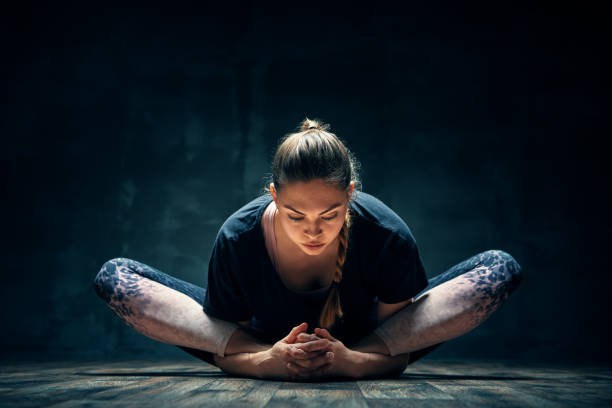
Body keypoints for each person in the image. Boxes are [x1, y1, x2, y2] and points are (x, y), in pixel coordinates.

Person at [93, 118, 522, 381]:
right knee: (115, 276)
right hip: (263, 343)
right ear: (274, 196)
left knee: (498, 268)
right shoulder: (238, 237)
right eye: (295, 215)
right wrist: (269, 362)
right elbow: (229, 344)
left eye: (330, 214)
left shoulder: (385, 232)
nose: (313, 231)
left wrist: (350, 362)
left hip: (362, 344)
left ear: (351, 196)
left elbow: (395, 346)